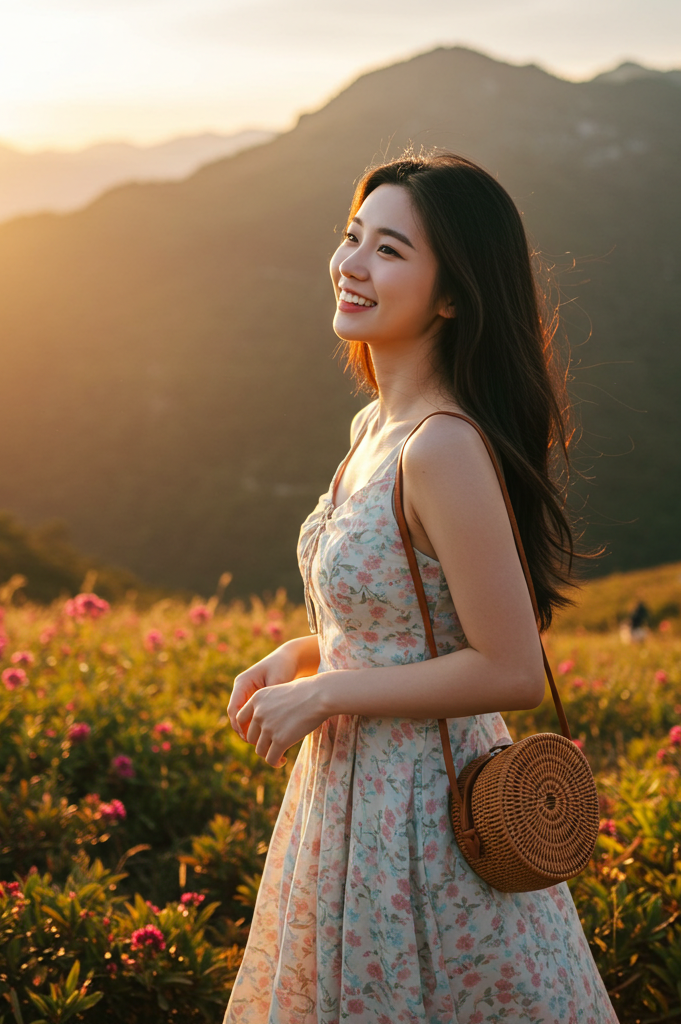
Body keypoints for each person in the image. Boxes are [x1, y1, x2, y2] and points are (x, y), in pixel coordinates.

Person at [223, 152, 618, 1023]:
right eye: (352, 238)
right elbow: (401, 623)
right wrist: (302, 654)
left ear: (452, 295)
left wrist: (330, 692)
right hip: (348, 804)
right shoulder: (376, 427)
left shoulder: (442, 447)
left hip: (426, 817)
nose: (352, 266)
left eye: (390, 250)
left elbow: (512, 667)